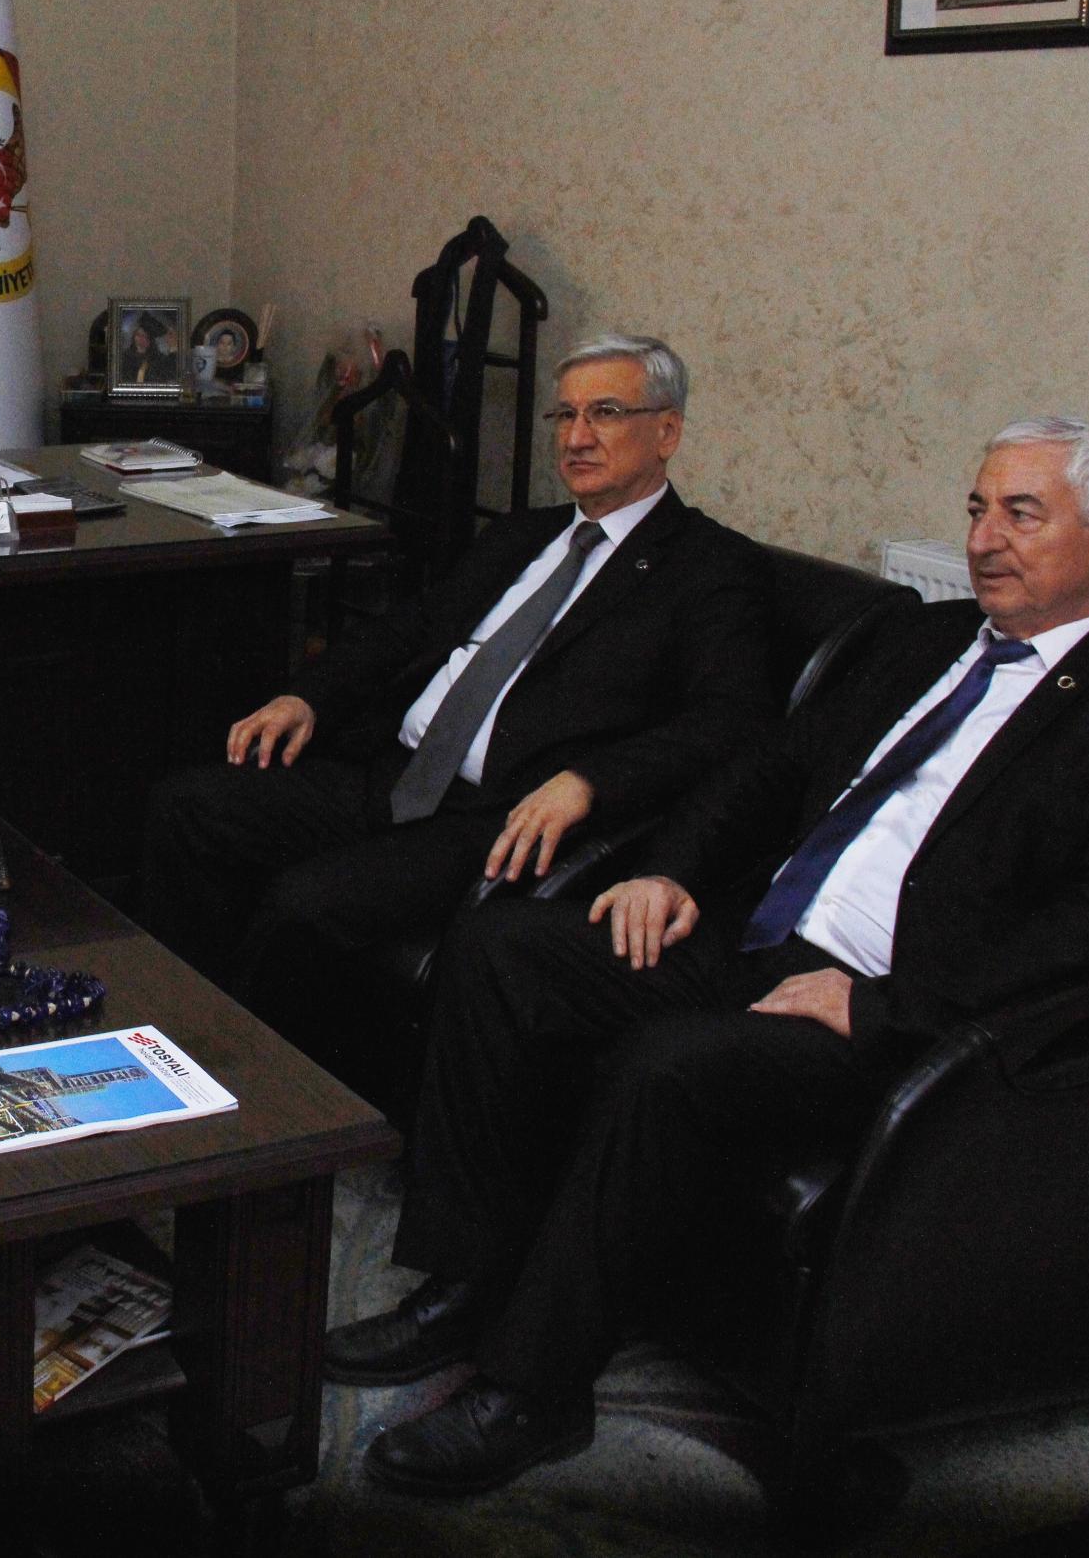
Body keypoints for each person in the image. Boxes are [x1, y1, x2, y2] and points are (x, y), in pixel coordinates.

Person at [338, 418, 1089, 1496]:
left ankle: (534, 1390)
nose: (983, 538)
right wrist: (669, 872)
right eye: (976, 508)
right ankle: (463, 1285)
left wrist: (882, 1006)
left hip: (906, 1019)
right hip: (759, 937)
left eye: (1020, 514)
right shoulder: (925, 638)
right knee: (503, 947)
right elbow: (770, 768)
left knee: (666, 1066)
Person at [141, 334, 776, 1092]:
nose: (576, 437)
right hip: (393, 771)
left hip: (494, 818)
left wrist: (590, 782)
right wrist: (308, 696)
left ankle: (257, 1100)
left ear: (667, 431)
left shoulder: (711, 569)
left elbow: (726, 723)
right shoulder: (524, 535)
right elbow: (411, 629)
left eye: (605, 413)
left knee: (303, 906)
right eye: (565, 415)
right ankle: (169, 1036)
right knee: (190, 807)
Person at [116, 312, 177, 385]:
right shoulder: (125, 357)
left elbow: (170, 374)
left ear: (150, 340)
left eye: (144, 336)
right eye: (138, 334)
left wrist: (173, 347)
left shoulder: (158, 358)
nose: (140, 338)